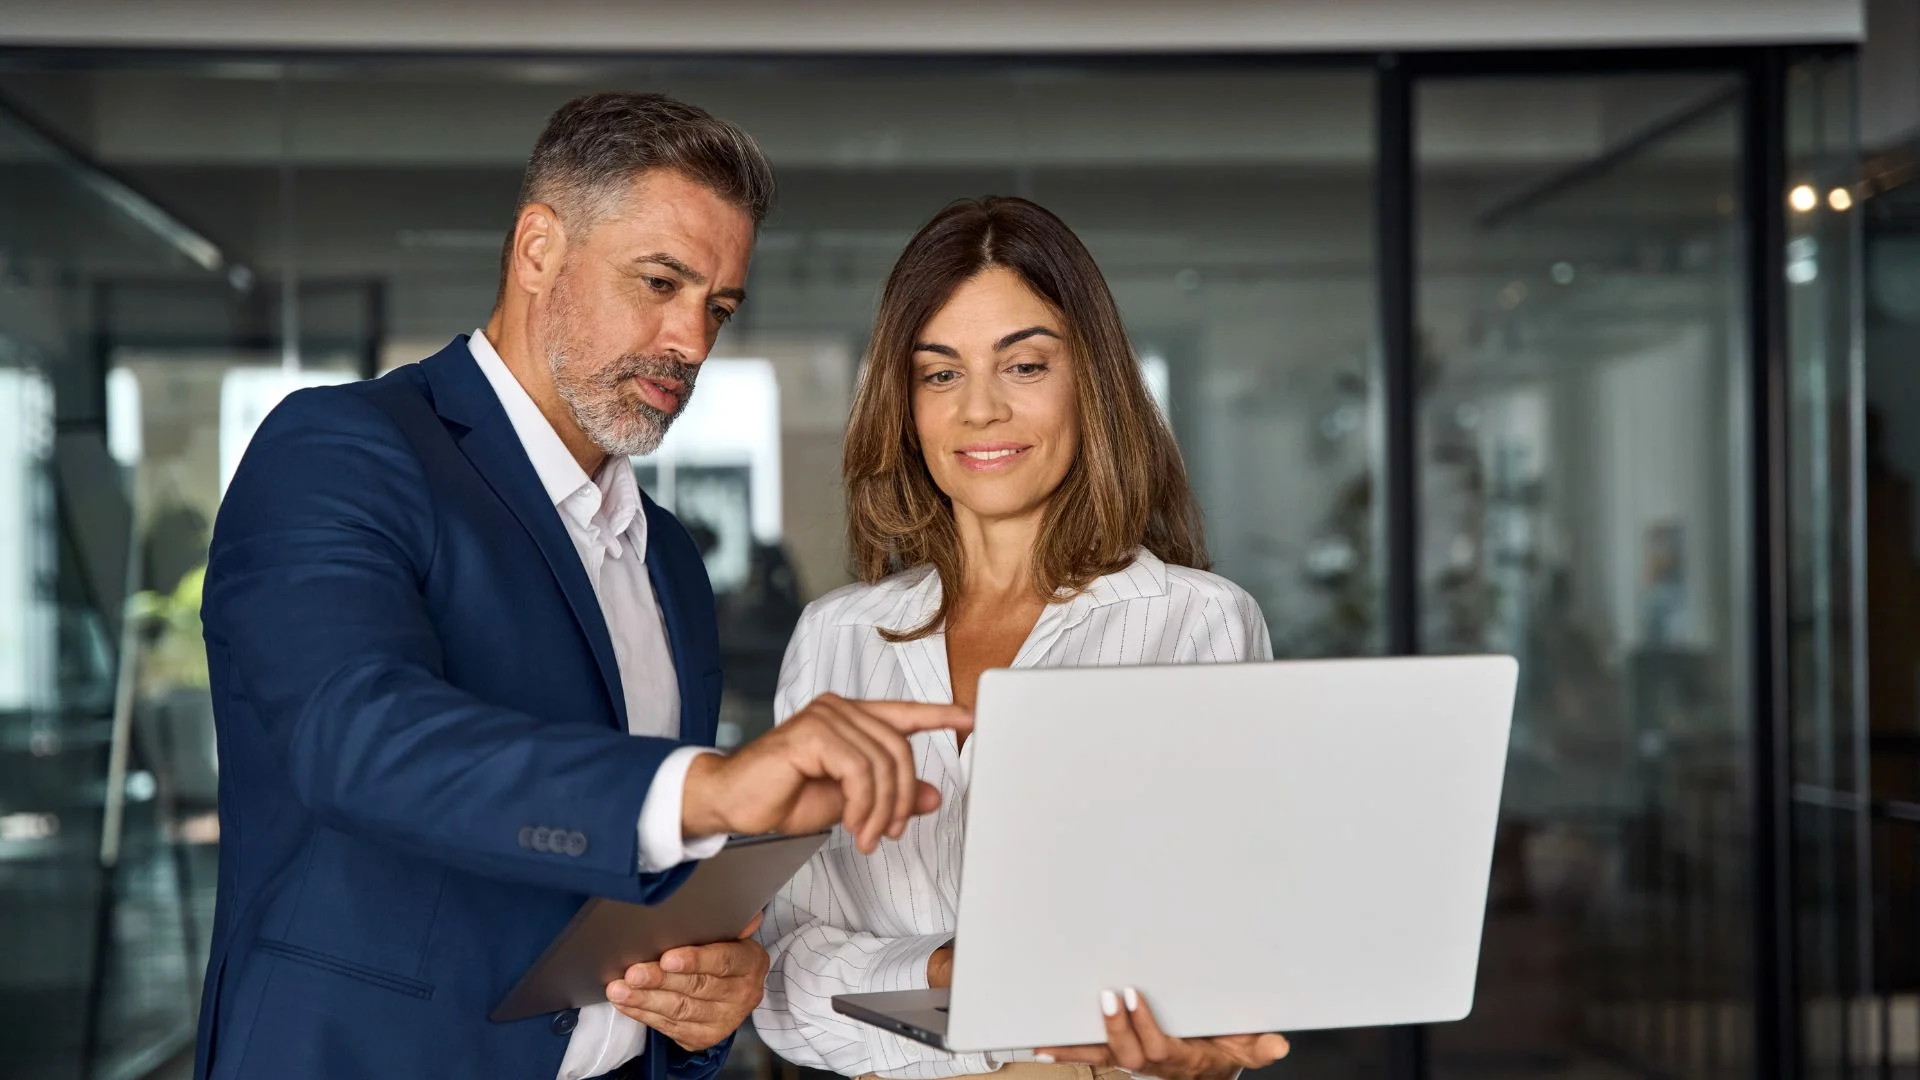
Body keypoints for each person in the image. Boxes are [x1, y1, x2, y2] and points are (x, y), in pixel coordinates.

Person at [194, 92, 967, 1080]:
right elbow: (356, 736)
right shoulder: (341, 449)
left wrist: (702, 1005)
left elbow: (635, 894)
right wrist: (716, 786)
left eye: (717, 307)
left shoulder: (669, 561)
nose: (690, 340)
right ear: (537, 250)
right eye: (659, 281)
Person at [751, 197, 1292, 1080]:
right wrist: (941, 971)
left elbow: (1233, 951)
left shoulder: (1198, 621)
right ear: (905, 402)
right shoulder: (836, 638)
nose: (980, 410)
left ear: (1093, 381)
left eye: (1025, 365)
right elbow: (777, 983)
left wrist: (1202, 1050)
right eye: (939, 374)